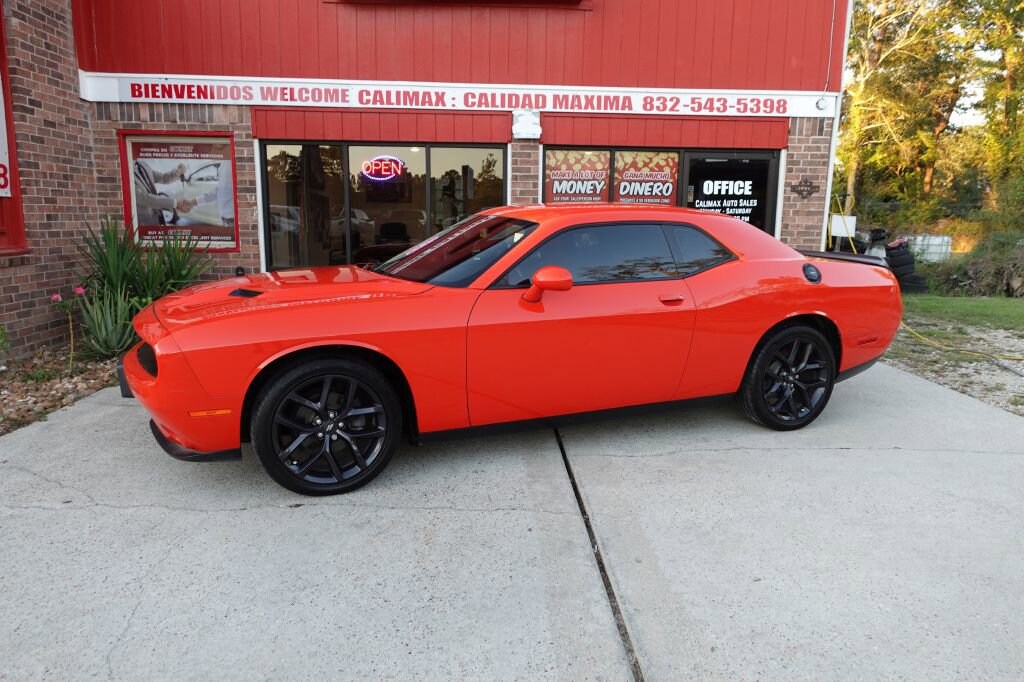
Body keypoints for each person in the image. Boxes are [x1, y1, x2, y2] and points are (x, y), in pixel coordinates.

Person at [133, 160, 190, 225]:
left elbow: (163, 178)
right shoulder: (126, 172)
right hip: (143, 222)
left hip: (157, 217)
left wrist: (177, 172)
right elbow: (145, 198)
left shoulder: (142, 164)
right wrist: (175, 203)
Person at [179, 162, 235, 227]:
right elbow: (219, 191)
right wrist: (193, 202)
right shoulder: (224, 164)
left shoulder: (232, 163)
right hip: (226, 219)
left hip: (234, 219)